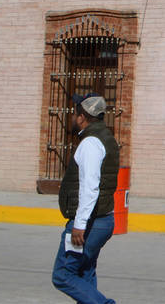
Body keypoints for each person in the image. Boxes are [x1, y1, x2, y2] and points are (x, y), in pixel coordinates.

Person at [52, 93, 119, 304]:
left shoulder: (90, 143)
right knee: (84, 272)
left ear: (82, 117)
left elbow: (90, 187)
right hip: (101, 221)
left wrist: (79, 225)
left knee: (63, 275)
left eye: (75, 114)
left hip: (90, 223)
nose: (73, 117)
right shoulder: (106, 138)